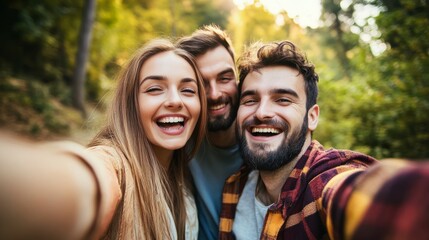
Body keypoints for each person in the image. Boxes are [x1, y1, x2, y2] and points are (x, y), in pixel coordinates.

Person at [218, 40, 429, 240]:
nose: (262, 112)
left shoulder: (325, 182)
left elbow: (358, 195)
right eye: (250, 100)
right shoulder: (234, 187)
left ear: (312, 117)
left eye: (283, 100)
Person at [0, 39, 207, 239]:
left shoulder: (186, 181)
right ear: (131, 104)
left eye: (188, 90)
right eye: (154, 89)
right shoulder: (113, 165)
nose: (174, 100)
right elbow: (87, 180)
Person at [176, 25, 244, 240]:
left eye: (225, 78)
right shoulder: (179, 142)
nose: (214, 94)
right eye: (201, 84)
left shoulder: (266, 142)